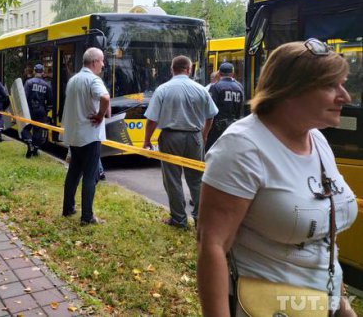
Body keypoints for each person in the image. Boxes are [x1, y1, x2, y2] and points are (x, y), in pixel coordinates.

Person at [197, 39, 357, 317]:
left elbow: (323, 240)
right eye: (331, 86)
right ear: (291, 90)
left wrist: (340, 306)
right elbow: (212, 246)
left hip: (321, 305)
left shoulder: (317, 140)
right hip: (266, 308)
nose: (345, 97)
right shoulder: (242, 146)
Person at [143, 55, 218, 230]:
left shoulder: (163, 89)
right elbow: (211, 115)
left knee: (172, 178)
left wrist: (147, 140)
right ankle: (201, 219)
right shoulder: (201, 89)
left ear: (172, 69)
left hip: (170, 137)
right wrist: (204, 134)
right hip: (194, 136)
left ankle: (178, 219)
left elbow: (152, 119)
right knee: (197, 179)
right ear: (189, 69)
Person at [62, 47, 110, 225]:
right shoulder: (93, 80)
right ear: (95, 62)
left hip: (74, 134)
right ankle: (87, 216)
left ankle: (68, 208)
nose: (103, 65)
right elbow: (105, 97)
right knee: (90, 176)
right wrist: (100, 115)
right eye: (102, 61)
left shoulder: (73, 79)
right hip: (90, 135)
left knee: (74, 172)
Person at [205, 62, 244, 151]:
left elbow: (211, 110)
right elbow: (240, 109)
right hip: (233, 126)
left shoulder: (215, 87)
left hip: (217, 128)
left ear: (219, 73)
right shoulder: (239, 87)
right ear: (232, 73)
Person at [21, 64, 52, 158]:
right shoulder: (47, 85)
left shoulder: (28, 82)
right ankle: (35, 149)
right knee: (38, 130)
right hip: (41, 110)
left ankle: (29, 142)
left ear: (34, 71)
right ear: (42, 72)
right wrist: (45, 109)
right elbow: (50, 100)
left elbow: (24, 97)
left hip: (29, 110)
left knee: (24, 128)